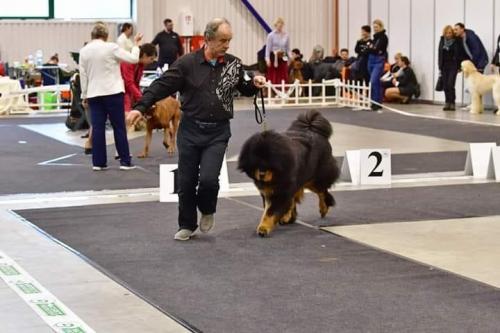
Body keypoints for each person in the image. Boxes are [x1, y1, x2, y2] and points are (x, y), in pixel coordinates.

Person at [127, 18, 266, 241]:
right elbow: (161, 86)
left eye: (229, 40)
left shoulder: (233, 64)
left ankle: (208, 209)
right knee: (186, 181)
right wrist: (140, 108)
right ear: (207, 39)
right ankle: (187, 224)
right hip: (190, 130)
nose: (227, 45)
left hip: (218, 132)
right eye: (222, 40)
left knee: (210, 180)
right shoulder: (186, 64)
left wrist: (255, 83)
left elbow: (245, 88)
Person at [79, 22, 143, 171]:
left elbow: (83, 75)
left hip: (94, 94)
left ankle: (98, 163)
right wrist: (136, 44)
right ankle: (125, 162)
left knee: (98, 127)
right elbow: (133, 59)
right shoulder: (111, 47)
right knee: (119, 127)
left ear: (92, 36)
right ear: (106, 36)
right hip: (113, 92)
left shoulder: (84, 51)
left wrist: (84, 95)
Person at [120, 43, 157, 113]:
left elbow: (136, 84)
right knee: (127, 114)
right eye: (151, 59)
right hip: (122, 91)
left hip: (128, 92)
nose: (152, 62)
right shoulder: (128, 62)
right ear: (144, 55)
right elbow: (129, 83)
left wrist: (141, 98)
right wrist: (141, 99)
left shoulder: (141, 65)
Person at [438, 25, 465, 111]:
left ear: (452, 33)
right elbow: (439, 54)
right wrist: (439, 66)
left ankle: (452, 102)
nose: (448, 34)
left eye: (450, 33)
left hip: (453, 65)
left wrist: (460, 66)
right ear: (444, 33)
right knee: (445, 85)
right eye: (446, 33)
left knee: (450, 84)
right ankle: (447, 102)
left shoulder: (457, 41)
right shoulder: (442, 40)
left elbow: (460, 54)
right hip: (444, 65)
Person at [367, 19, 388, 111]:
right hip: (371, 60)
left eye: (377, 27)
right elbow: (370, 49)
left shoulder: (384, 37)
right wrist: (372, 48)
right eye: (374, 27)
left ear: (381, 27)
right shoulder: (374, 38)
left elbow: (378, 50)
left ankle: (375, 101)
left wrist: (372, 48)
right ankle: (376, 102)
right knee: (375, 83)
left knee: (374, 81)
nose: (375, 29)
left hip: (378, 61)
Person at [265, 17, 290, 84]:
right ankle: (273, 91)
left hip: (283, 55)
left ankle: (284, 90)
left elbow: (288, 49)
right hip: (273, 56)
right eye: (278, 25)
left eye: (281, 25)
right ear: (275, 25)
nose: (280, 26)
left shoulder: (286, 35)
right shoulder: (270, 35)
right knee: (273, 76)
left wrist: (290, 59)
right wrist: (267, 59)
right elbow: (268, 49)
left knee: (284, 74)